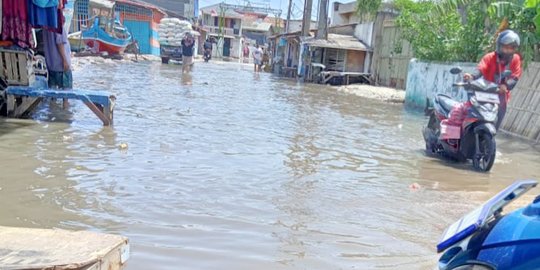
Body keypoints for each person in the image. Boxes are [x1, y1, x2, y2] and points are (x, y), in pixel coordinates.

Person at [445, 29, 522, 130]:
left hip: (500, 99)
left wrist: (506, 85)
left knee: (495, 128)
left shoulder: (515, 59)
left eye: (511, 48)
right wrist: (471, 77)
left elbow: (515, 77)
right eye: (505, 47)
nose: (508, 51)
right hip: (484, 95)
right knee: (467, 118)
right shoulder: (490, 57)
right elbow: (480, 69)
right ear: (499, 46)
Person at [43, 28, 72, 109]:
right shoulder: (58, 24)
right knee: (66, 97)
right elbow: (60, 43)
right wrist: (65, 60)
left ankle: (53, 116)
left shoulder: (46, 26)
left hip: (51, 65)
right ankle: (65, 116)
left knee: (52, 98)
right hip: (61, 66)